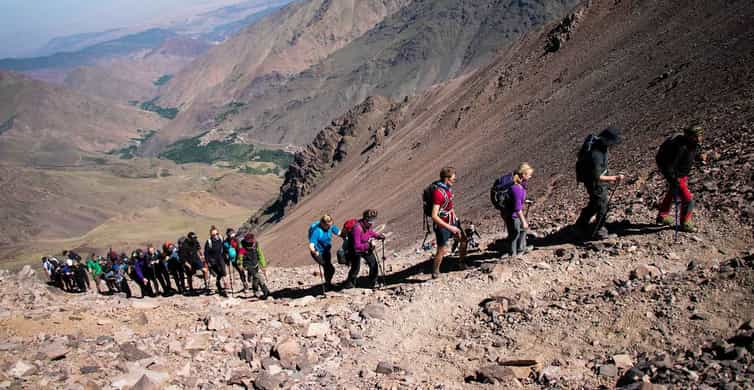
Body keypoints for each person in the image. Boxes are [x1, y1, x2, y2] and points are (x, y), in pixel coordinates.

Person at [574, 127, 625, 240]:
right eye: (613, 141)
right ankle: (597, 231)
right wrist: (614, 177)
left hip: (595, 182)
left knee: (594, 204)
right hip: (595, 184)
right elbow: (597, 177)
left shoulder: (602, 147)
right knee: (603, 206)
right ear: (606, 139)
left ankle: (580, 226)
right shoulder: (596, 154)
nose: (614, 144)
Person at [655, 124, 704, 233]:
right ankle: (685, 223)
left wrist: (699, 157)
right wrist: (673, 178)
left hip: (682, 174)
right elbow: (669, 165)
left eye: (700, 135)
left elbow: (692, 154)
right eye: (698, 135)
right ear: (690, 136)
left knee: (672, 193)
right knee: (688, 199)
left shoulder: (693, 144)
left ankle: (662, 216)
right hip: (677, 176)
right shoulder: (680, 147)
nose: (700, 138)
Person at [430, 167, 468, 279]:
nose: (454, 181)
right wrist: (450, 228)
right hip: (443, 225)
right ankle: (435, 272)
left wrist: (455, 218)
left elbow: (449, 205)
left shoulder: (447, 188)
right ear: (447, 179)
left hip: (452, 220)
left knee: (463, 240)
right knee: (441, 249)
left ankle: (461, 263)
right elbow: (434, 215)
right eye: (453, 179)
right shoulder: (438, 193)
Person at [345, 209, 385, 289]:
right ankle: (349, 284)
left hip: (366, 247)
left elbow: (370, 232)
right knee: (356, 267)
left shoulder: (367, 225)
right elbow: (357, 246)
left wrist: (377, 236)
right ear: (365, 219)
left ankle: (373, 282)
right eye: (370, 220)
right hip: (356, 250)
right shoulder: (357, 228)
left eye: (373, 220)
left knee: (373, 264)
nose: (372, 222)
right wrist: (369, 245)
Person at [506, 163, 534, 257]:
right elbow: (517, 208)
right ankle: (514, 255)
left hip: (511, 214)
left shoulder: (518, 185)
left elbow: (516, 200)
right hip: (514, 215)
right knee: (516, 234)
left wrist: (525, 201)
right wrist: (524, 221)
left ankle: (518, 250)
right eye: (529, 174)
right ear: (524, 174)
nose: (530, 176)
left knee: (518, 232)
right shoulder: (517, 188)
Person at [308, 215, 342, 290]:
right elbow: (311, 245)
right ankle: (327, 285)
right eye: (328, 226)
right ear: (322, 224)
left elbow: (339, 233)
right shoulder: (317, 231)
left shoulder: (330, 226)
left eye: (330, 225)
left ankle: (328, 284)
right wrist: (314, 252)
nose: (330, 227)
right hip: (318, 253)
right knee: (329, 268)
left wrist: (346, 235)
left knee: (329, 268)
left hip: (326, 251)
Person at [240, 233, 270, 299]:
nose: (252, 242)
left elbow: (260, 254)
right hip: (247, 264)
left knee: (255, 279)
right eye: (250, 241)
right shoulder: (242, 244)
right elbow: (241, 255)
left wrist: (263, 265)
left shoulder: (256, 244)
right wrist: (240, 264)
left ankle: (255, 291)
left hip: (255, 263)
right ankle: (266, 291)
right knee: (258, 276)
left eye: (252, 241)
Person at [204, 226, 228, 296]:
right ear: (211, 235)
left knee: (223, 272)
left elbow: (224, 247)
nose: (216, 236)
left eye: (217, 234)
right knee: (219, 272)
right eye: (213, 235)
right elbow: (206, 253)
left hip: (221, 258)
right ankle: (221, 285)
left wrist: (227, 254)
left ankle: (221, 284)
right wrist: (208, 262)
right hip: (213, 261)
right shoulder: (209, 242)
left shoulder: (220, 238)